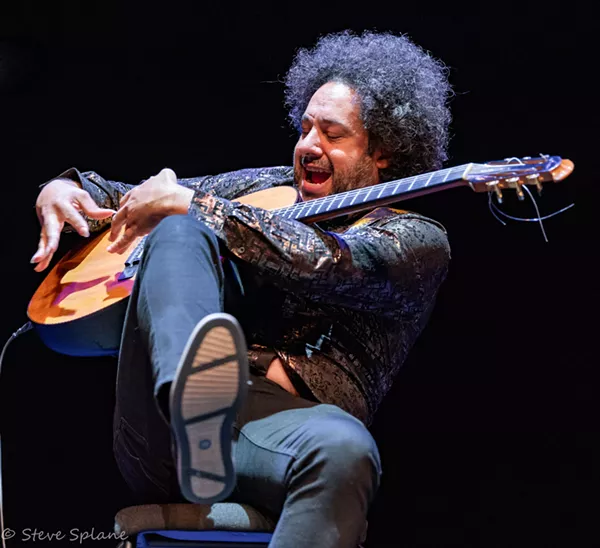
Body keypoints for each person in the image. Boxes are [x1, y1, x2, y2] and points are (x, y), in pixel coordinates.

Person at [32, 31, 452, 547]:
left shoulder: (415, 239)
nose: (308, 146)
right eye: (305, 128)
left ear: (383, 151)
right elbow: (137, 196)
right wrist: (66, 188)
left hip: (276, 428)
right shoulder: (267, 187)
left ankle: (206, 417)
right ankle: (190, 397)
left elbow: (328, 261)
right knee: (180, 228)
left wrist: (199, 208)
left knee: (347, 449)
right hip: (160, 424)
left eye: (332, 134)